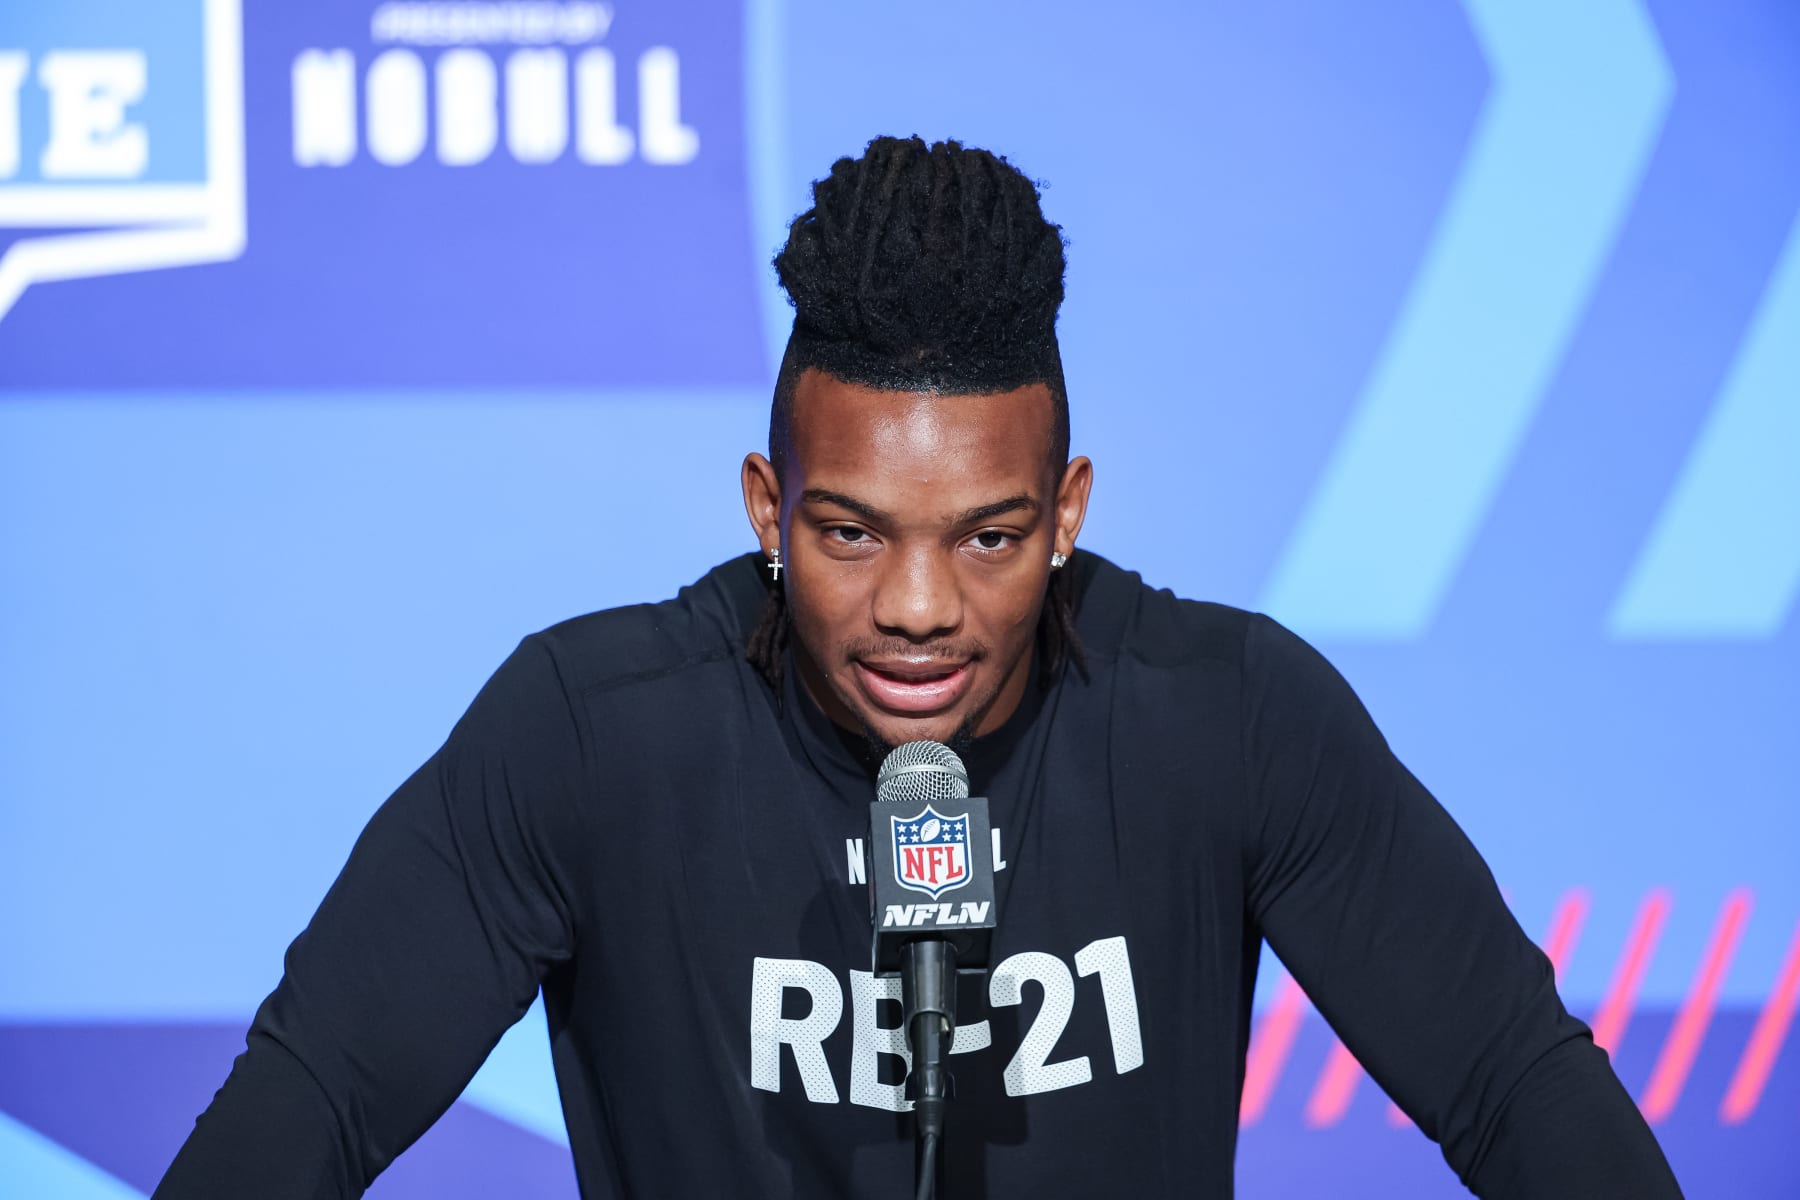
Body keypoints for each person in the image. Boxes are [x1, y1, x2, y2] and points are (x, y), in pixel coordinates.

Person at [155, 135, 1682, 1199]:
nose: (918, 608)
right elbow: (314, 1102)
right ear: (765, 506)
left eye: (990, 538)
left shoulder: (1229, 717)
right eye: (850, 532)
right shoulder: (591, 735)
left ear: (1068, 513)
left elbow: (1514, 1084)